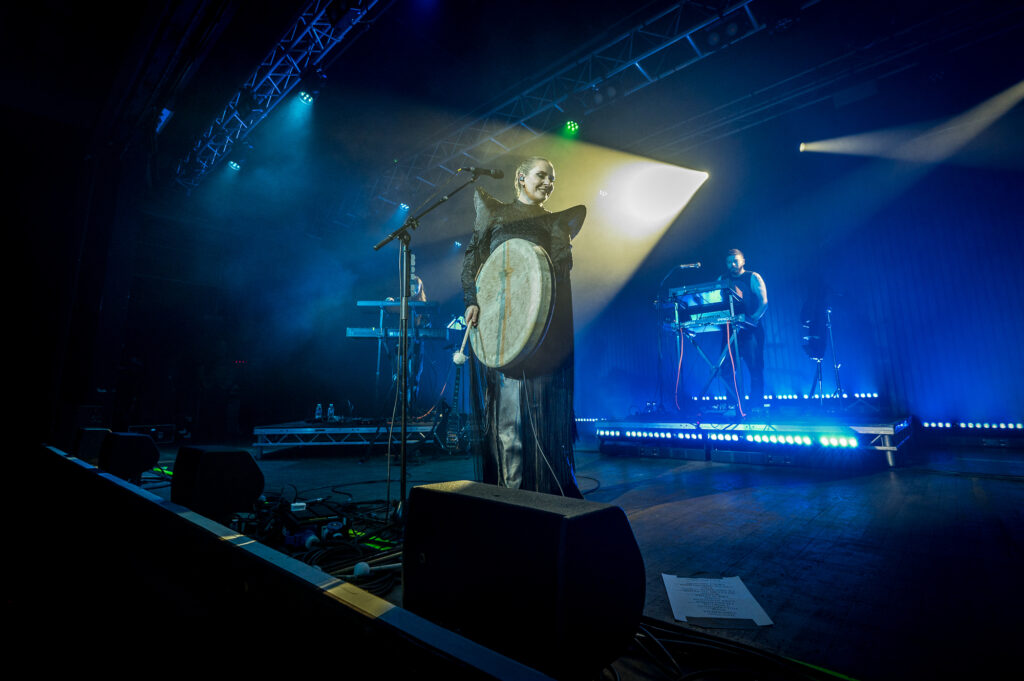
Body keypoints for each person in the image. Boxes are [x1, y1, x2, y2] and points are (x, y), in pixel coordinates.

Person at [461, 157, 586, 498]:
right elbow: (474, 261)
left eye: (552, 178)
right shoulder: (496, 215)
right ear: (520, 178)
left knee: (542, 416)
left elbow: (557, 276)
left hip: (542, 336)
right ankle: (511, 494)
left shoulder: (554, 222)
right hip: (503, 332)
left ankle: (548, 492)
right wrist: (472, 300)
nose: (548, 183)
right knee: (508, 417)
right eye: (541, 175)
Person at [718, 248, 768, 413]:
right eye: (729, 262)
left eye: (735, 260)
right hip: (730, 330)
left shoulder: (753, 277)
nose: (732, 264)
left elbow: (764, 302)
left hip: (750, 331)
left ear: (743, 261)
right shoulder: (722, 279)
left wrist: (753, 319)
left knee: (755, 368)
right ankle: (735, 404)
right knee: (726, 368)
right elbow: (716, 302)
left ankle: (756, 405)